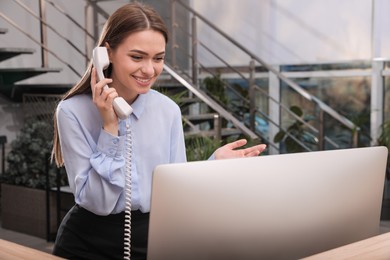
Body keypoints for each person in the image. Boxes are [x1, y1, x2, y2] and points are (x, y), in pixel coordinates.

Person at [51, 2, 266, 259]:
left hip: (150, 240)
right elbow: (98, 203)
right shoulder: (71, 112)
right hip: (85, 243)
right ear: (106, 54)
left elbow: (174, 190)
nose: (149, 70)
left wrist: (213, 164)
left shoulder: (168, 110)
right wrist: (110, 128)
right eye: (137, 57)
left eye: (158, 58)